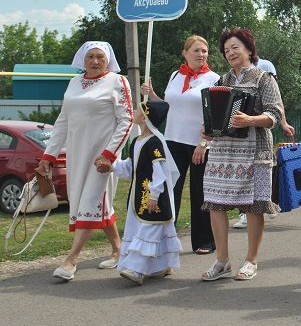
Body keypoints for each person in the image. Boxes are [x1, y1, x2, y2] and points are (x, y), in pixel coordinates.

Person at [39, 41, 134, 281]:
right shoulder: (73, 83)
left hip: (102, 158)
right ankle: (118, 249)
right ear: (83, 59)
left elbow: (127, 120)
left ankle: (71, 260)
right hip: (77, 155)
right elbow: (62, 122)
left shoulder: (117, 82)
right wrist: (48, 157)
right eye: (90, 56)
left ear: (108, 60)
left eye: (100, 57)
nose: (95, 61)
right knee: (89, 202)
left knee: (91, 201)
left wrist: (109, 154)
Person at [199, 28, 284, 282]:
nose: (230, 53)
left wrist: (250, 119)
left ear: (248, 49)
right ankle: (222, 261)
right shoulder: (221, 81)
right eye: (226, 50)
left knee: (254, 205)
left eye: (235, 47)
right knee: (215, 203)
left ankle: (251, 260)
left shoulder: (264, 78)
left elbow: (275, 114)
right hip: (223, 152)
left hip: (255, 151)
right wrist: (208, 130)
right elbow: (215, 116)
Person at [141, 35, 219, 255]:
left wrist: (204, 143)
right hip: (172, 140)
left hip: (199, 144)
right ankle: (165, 238)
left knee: (199, 193)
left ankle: (205, 240)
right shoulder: (176, 75)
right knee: (168, 189)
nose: (201, 54)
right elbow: (168, 106)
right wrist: (151, 94)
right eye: (196, 50)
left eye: (204, 51)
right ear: (185, 53)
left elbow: (213, 115)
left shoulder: (214, 79)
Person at [101, 101, 181, 285]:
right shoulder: (137, 141)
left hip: (154, 198)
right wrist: (111, 165)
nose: (135, 111)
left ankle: (137, 270)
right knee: (144, 229)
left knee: (150, 230)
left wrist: (154, 195)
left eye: (138, 109)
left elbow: (160, 171)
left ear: (145, 117)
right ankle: (161, 265)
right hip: (137, 195)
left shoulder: (154, 142)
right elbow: (130, 168)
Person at [233, 55, 293, 230]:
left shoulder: (265, 66)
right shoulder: (234, 73)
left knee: (268, 168)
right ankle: (244, 214)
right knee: (243, 175)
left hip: (262, 128)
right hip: (240, 133)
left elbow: (276, 99)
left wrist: (283, 123)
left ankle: (270, 201)